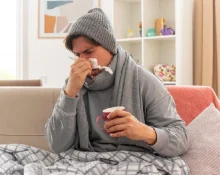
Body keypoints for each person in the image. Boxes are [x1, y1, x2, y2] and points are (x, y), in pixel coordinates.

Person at [45, 8, 189, 157]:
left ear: (109, 47)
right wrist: (70, 94)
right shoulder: (73, 84)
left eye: (88, 52)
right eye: (77, 55)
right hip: (87, 161)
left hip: (137, 162)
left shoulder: (144, 80)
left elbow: (181, 139)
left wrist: (146, 132)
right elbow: (57, 145)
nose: (82, 61)